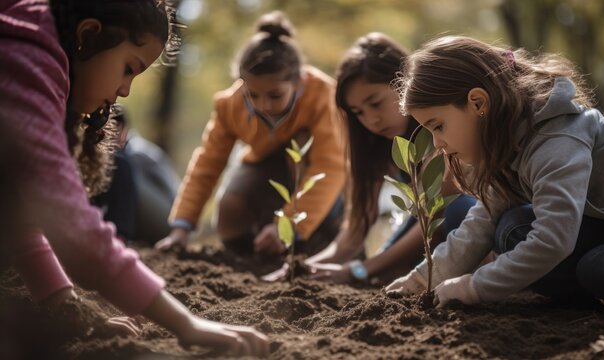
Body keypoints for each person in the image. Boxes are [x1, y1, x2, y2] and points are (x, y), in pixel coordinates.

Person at [0, 0, 268, 356]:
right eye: (128, 68)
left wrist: (70, 309)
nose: (125, 91)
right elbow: (74, 231)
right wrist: (185, 324)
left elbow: (22, 220)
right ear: (88, 34)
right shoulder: (28, 63)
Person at [385, 35, 604, 313]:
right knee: (513, 230)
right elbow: (480, 225)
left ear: (477, 103)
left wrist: (474, 287)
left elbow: (552, 240)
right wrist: (421, 280)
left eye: (438, 126)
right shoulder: (509, 142)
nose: (437, 144)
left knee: (602, 268)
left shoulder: (556, 139)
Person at [263, 33, 476, 284]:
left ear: (404, 84)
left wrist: (360, 270)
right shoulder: (378, 144)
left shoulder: (441, 134)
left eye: (375, 103)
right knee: (380, 272)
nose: (371, 120)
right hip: (426, 231)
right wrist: (303, 268)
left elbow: (432, 223)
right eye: (358, 112)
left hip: (463, 226)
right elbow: (352, 235)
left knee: (455, 211)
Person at [156, 11, 346, 257]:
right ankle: (252, 254)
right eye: (252, 94)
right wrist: (181, 227)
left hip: (316, 179)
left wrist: (287, 226)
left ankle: (316, 238)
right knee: (230, 207)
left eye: (275, 95)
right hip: (262, 168)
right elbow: (207, 164)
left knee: (300, 145)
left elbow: (330, 166)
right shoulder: (229, 105)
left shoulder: (322, 95)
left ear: (299, 81)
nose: (263, 105)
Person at [93, 104, 180, 244]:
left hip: (169, 218)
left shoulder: (138, 152)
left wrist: (182, 221)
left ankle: (119, 236)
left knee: (120, 166)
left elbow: (172, 187)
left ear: (122, 129)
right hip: (150, 218)